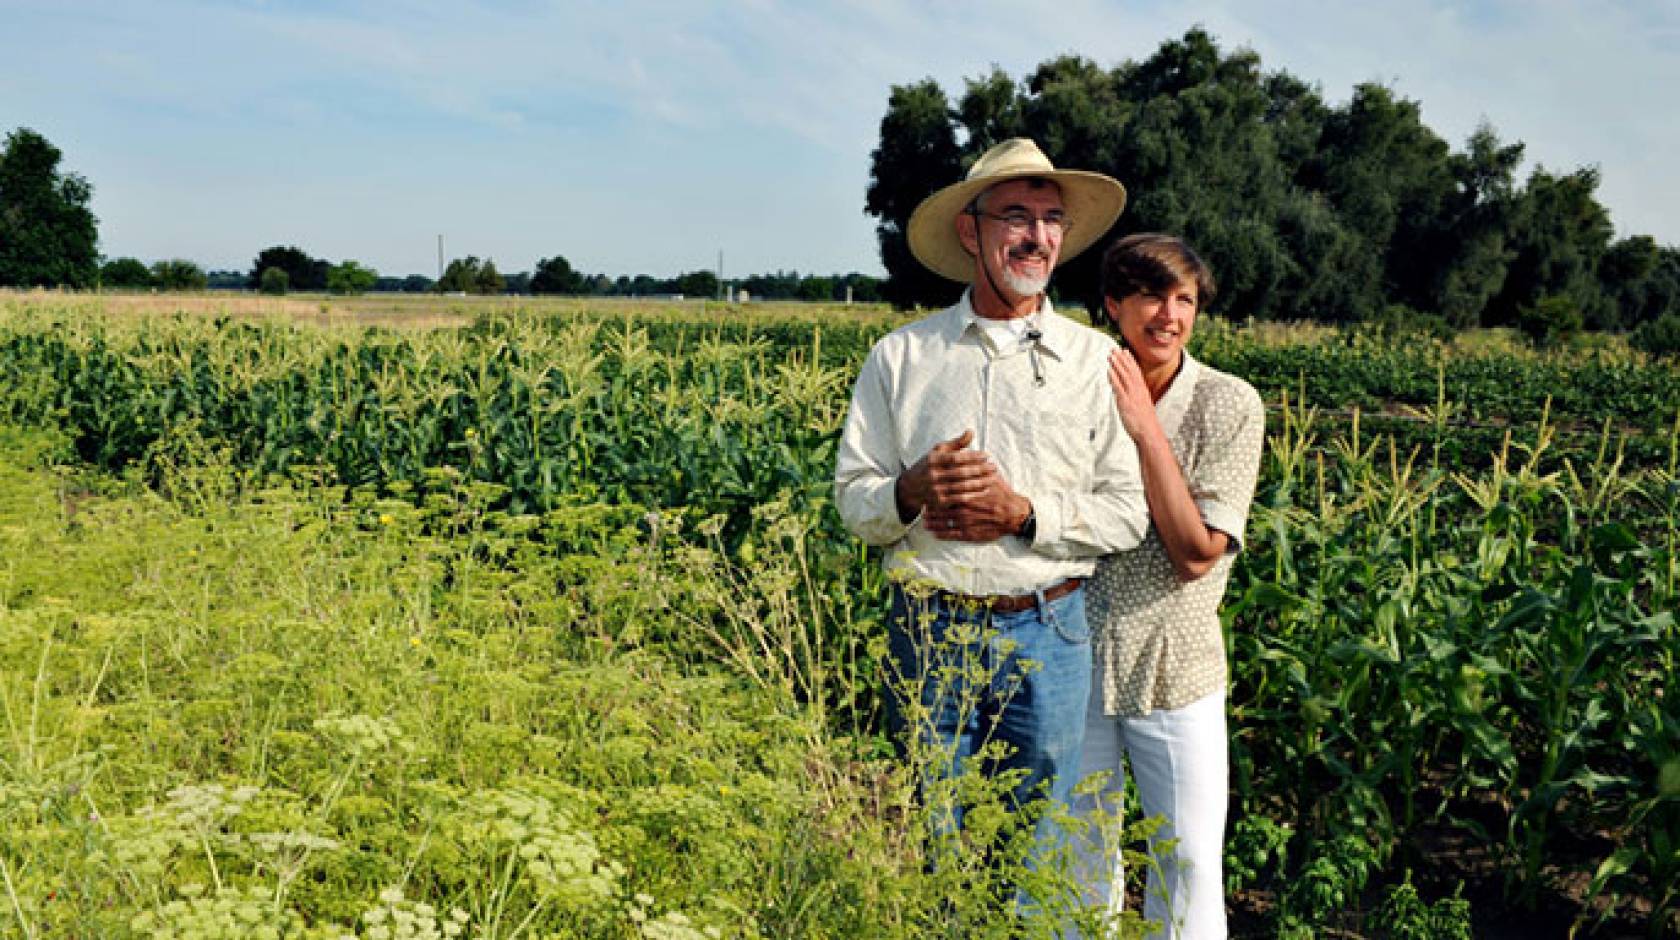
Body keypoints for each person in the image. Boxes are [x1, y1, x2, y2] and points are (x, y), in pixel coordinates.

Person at [834, 138, 1150, 888]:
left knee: (1034, 851)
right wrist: (908, 492)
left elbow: (1129, 513)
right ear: (971, 231)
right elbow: (853, 498)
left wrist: (1023, 514)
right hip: (927, 626)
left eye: (1050, 219)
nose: (1037, 236)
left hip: (1047, 630)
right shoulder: (901, 357)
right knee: (930, 838)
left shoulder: (1093, 361)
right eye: (1016, 216)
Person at [1073, 234, 1266, 939]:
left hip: (1175, 668)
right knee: (1074, 858)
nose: (1169, 314)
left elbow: (1194, 553)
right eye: (1152, 294)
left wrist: (1147, 431)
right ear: (1113, 304)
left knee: (1185, 868)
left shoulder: (1229, 404)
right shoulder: (1074, 391)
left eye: (1184, 299)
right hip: (1078, 659)